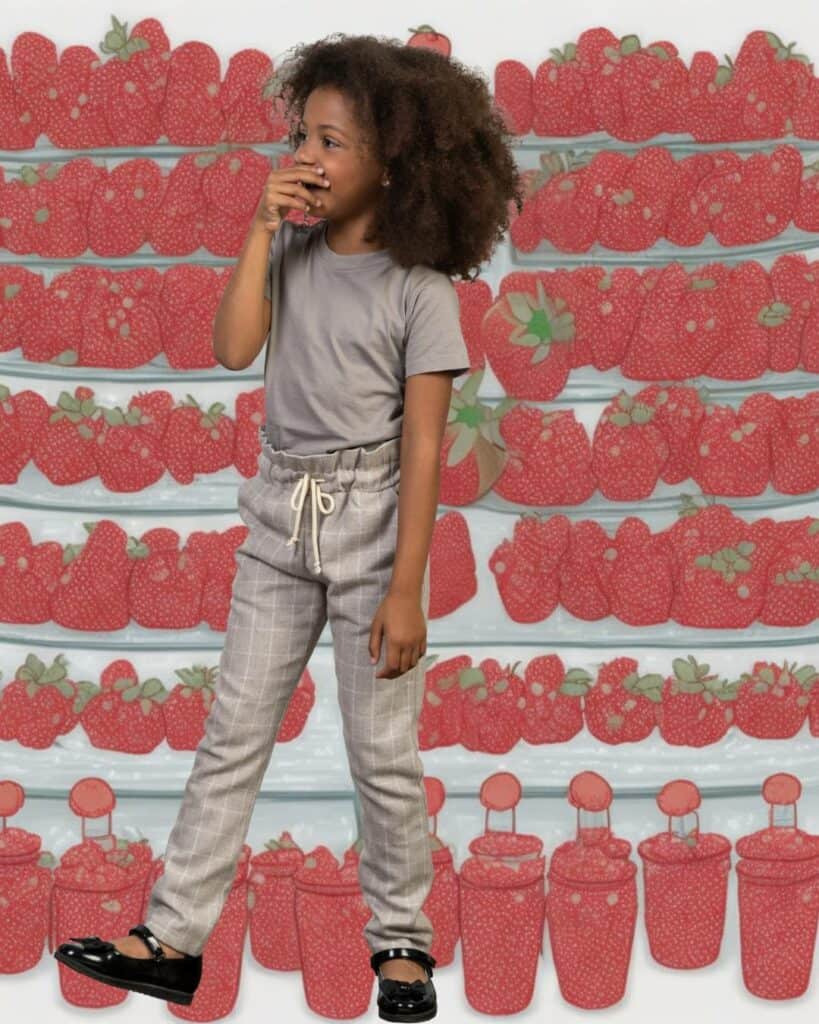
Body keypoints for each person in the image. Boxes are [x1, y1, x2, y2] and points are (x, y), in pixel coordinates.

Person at [53, 32, 523, 1021]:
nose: (308, 156)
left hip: (369, 520)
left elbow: (428, 452)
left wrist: (406, 588)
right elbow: (232, 350)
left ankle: (401, 940)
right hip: (278, 515)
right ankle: (174, 935)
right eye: (302, 134)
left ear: (397, 163)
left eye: (335, 141)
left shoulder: (420, 290)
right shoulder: (294, 251)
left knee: (381, 752)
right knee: (232, 732)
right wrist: (260, 230)